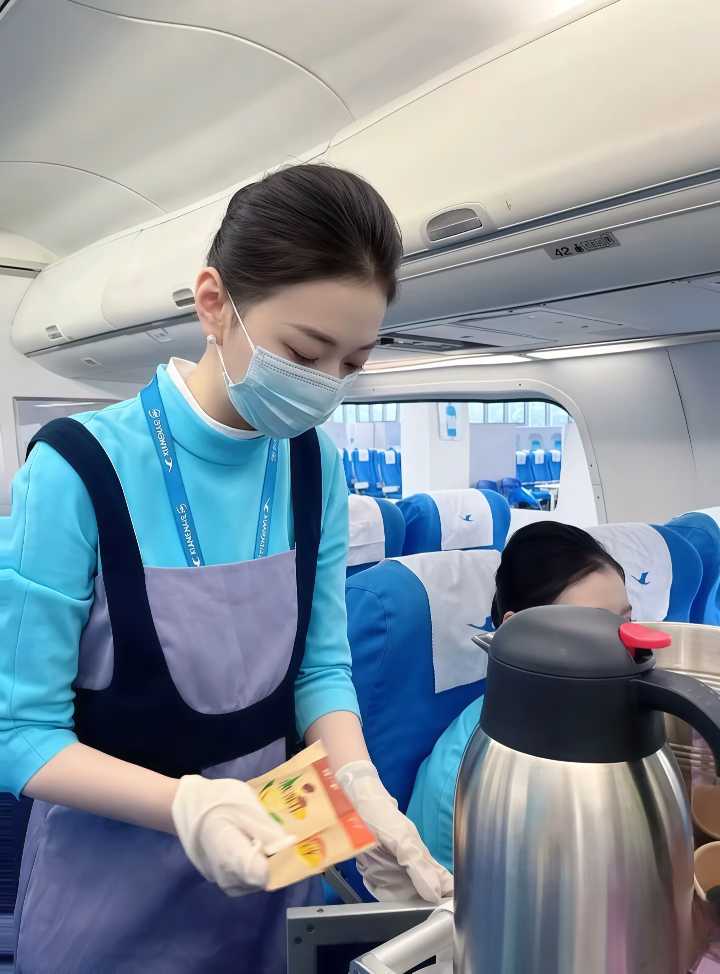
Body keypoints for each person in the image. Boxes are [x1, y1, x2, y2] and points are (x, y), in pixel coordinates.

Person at [0, 164, 451, 974]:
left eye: (352, 364)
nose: (325, 389)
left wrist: (360, 785)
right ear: (214, 303)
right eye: (304, 352)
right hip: (105, 895)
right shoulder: (76, 469)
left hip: (269, 878)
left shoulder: (315, 464)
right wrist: (187, 806)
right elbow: (20, 736)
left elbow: (319, 670)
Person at [406, 521, 631, 872]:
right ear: (519, 631)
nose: (619, 648)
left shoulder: (606, 718)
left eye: (623, 623)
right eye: (590, 627)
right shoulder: (471, 773)